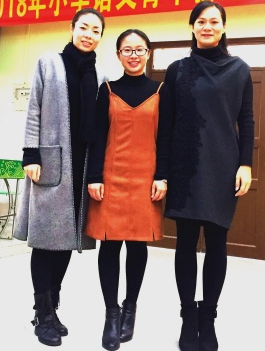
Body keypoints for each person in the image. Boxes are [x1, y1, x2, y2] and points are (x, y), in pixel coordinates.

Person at [14, 7, 108, 347]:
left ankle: (52, 307)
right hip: (51, 162)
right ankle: (42, 313)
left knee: (67, 240)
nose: (88, 34)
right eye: (84, 27)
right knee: (46, 240)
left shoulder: (100, 75)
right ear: (72, 28)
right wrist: (30, 153)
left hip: (82, 165)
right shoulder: (49, 63)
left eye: (96, 30)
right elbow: (34, 108)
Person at [164, 1, 255, 351]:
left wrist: (245, 164)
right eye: (201, 21)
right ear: (192, 27)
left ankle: (209, 318)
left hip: (223, 166)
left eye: (214, 21)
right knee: (185, 243)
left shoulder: (239, 69)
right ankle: (188, 317)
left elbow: (246, 120)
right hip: (185, 167)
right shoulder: (177, 70)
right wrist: (162, 172)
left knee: (217, 243)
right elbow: (166, 124)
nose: (207, 26)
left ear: (223, 27)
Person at [85, 29, 173, 351]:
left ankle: (130, 308)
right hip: (110, 178)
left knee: (137, 246)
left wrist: (162, 176)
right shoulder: (107, 90)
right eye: (127, 50)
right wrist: (94, 176)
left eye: (139, 50)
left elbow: (166, 138)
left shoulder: (161, 90)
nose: (133, 55)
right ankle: (111, 314)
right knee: (109, 246)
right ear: (119, 55)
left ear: (148, 53)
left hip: (145, 180)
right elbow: (97, 137)